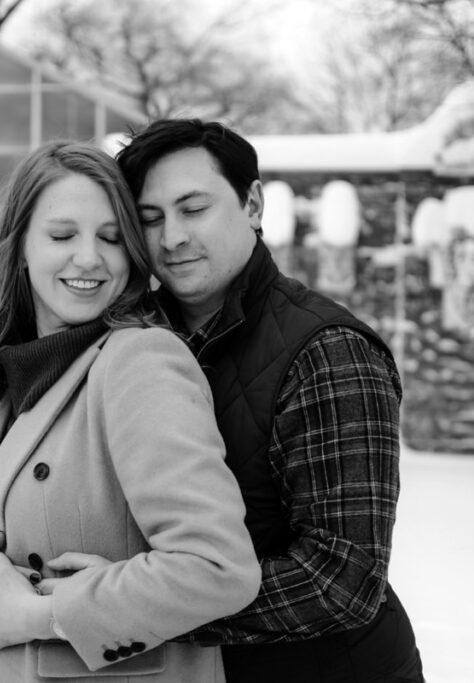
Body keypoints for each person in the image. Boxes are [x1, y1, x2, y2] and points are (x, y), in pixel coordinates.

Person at [0, 140, 261, 682]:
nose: (90, 258)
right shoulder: (34, 371)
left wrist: (49, 614)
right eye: (63, 235)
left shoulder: (139, 360)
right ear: (21, 248)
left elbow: (217, 568)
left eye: (111, 238)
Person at [111, 119, 425, 682]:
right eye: (150, 218)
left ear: (252, 203)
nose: (172, 238)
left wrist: (139, 606)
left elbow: (341, 581)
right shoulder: (134, 342)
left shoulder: (329, 353)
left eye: (193, 209)